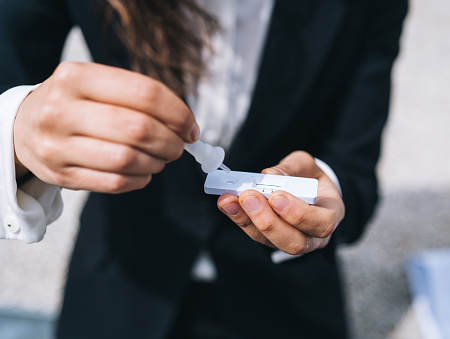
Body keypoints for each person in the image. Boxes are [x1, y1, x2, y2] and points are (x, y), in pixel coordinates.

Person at [0, 0, 408, 338]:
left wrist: (324, 196)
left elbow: (354, 167)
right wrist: (17, 132)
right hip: (123, 278)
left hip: (287, 300)